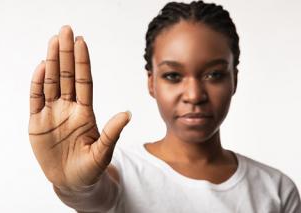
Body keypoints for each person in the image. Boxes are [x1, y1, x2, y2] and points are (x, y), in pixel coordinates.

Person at [28, 1, 301, 212]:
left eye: (214, 74)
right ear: (152, 83)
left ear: (234, 79)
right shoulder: (121, 170)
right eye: (173, 76)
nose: (194, 95)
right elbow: (95, 195)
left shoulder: (276, 191)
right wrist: (76, 186)